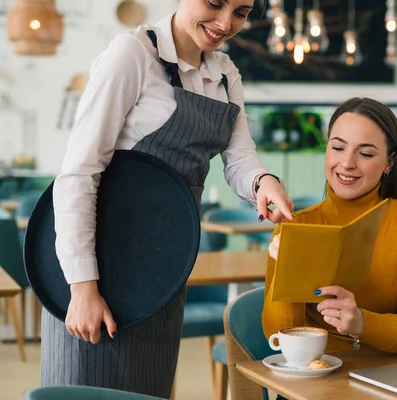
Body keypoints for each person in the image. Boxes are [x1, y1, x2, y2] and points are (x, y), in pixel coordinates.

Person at [43, 0, 294, 397]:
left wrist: (263, 181)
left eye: (242, 12)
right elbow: (78, 172)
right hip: (100, 268)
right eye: (215, 3)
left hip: (165, 266)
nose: (226, 23)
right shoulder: (132, 55)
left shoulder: (226, 75)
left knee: (151, 388)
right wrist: (82, 288)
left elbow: (240, 158)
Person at [262, 98, 397, 355]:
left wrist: (361, 322)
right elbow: (279, 338)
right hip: (313, 380)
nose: (347, 163)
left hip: (390, 380)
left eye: (366, 153)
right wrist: (290, 274)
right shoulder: (294, 225)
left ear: (390, 162)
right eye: (338, 148)